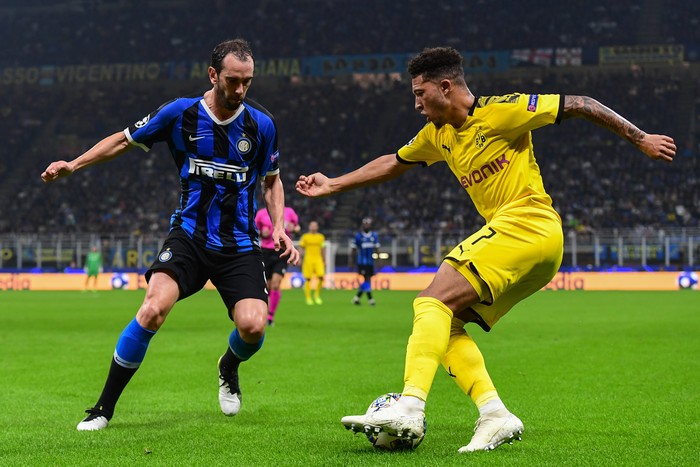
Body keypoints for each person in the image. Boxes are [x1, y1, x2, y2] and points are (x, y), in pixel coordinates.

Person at [296, 47, 676, 453]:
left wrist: (641, 139)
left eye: (421, 93)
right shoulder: (438, 135)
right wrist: (334, 184)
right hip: (531, 248)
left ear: (446, 86)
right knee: (446, 323)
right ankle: (494, 413)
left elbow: (581, 103)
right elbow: (394, 161)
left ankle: (409, 406)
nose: (416, 103)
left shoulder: (502, 111)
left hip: (529, 224)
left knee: (430, 302)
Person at [41, 38, 300, 431]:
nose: (240, 90)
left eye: (247, 81)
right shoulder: (180, 113)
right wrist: (74, 165)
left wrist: (278, 225)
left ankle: (228, 364)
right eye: (233, 80)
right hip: (189, 237)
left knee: (253, 326)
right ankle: (102, 409)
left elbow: (272, 181)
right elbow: (123, 140)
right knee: (152, 309)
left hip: (238, 245)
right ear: (213, 75)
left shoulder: (262, 124)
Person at [255, 205, 299, 324]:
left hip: (282, 251)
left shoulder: (289, 211)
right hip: (266, 251)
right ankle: (263, 311)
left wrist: (294, 228)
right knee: (267, 286)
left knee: (275, 284)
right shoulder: (261, 213)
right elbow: (253, 230)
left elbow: (297, 227)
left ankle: (270, 316)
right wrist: (261, 232)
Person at [349, 217, 379, 306]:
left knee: (367, 280)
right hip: (361, 262)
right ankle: (370, 299)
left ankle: (357, 298)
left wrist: (378, 260)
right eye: (365, 224)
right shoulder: (358, 236)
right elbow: (353, 249)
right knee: (367, 279)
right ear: (363, 225)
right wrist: (351, 261)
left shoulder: (374, 235)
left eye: (368, 224)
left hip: (370, 262)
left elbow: (377, 249)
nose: (366, 225)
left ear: (370, 225)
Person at [298, 220, 326, 305]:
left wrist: (324, 260)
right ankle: (308, 297)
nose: (313, 227)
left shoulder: (321, 237)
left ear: (317, 227)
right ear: (309, 227)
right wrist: (299, 258)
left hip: (318, 259)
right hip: (308, 259)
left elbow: (323, 249)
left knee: (321, 277)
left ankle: (317, 295)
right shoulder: (305, 237)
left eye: (315, 225)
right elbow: (301, 248)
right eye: (312, 225)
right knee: (308, 279)